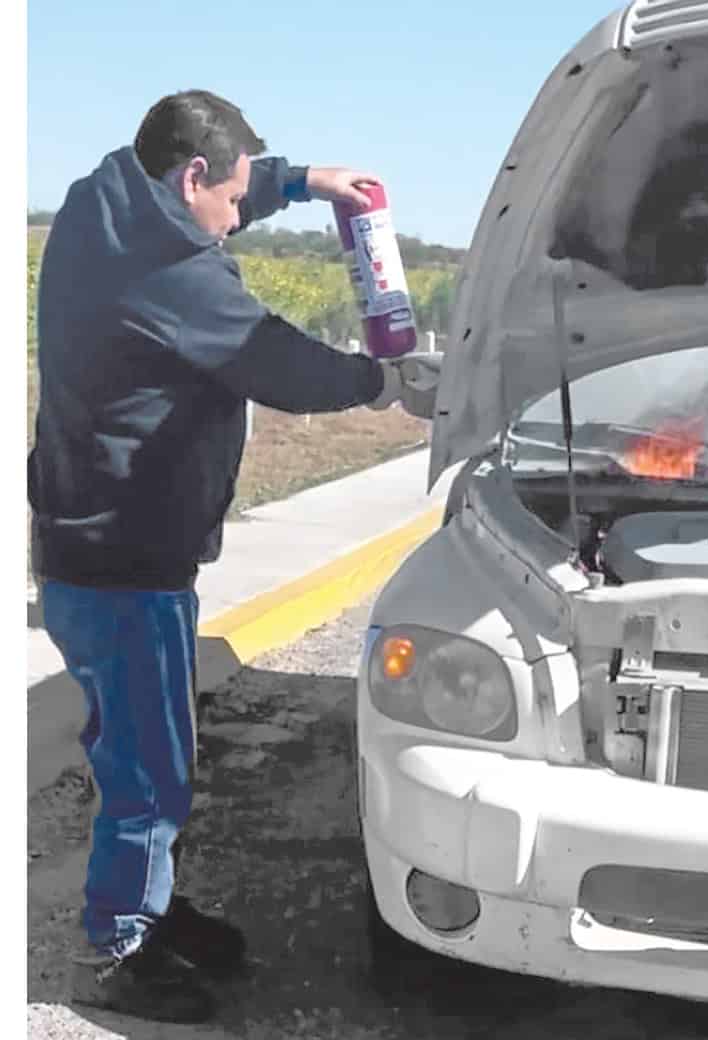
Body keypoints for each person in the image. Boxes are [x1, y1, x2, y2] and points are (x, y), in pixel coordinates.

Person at [27, 89, 426, 1024]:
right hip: (125, 556)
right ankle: (125, 944)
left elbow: (228, 188)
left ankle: (152, 904)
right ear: (191, 176)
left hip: (92, 540)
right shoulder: (172, 269)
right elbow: (275, 362)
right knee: (146, 764)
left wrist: (303, 180)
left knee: (149, 750)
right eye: (236, 201)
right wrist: (383, 383)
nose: (239, 220)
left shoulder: (103, 201)